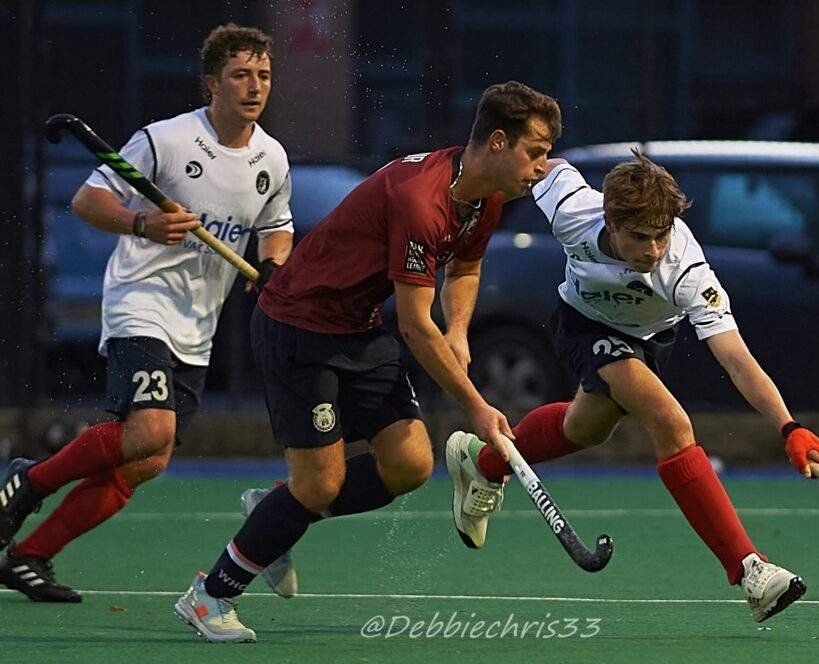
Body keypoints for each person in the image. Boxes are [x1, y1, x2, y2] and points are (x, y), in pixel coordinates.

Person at [172, 80, 562, 643]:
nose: (543, 167)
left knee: (408, 464)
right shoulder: (420, 200)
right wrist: (476, 406)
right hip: (299, 327)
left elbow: (466, 270)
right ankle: (210, 597)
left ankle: (277, 516)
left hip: (357, 328)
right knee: (320, 484)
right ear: (498, 142)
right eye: (535, 151)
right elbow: (412, 325)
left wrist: (458, 329)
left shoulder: (487, 198)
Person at [446, 149, 819, 622]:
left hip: (647, 338)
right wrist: (460, 201)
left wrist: (788, 426)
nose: (652, 250)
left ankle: (482, 460)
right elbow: (525, 163)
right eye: (639, 237)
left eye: (661, 235)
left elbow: (736, 358)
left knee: (585, 429)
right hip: (583, 325)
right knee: (671, 421)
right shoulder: (573, 208)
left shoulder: (687, 271)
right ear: (610, 221)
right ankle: (749, 570)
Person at [0, 24, 293, 602]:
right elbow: (88, 199)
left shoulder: (272, 158)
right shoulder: (166, 140)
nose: (253, 86)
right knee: (151, 428)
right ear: (213, 83)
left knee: (147, 460)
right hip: (142, 300)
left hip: (198, 322)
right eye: (240, 74)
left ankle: (30, 556)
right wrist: (142, 222)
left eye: (262, 75)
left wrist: (274, 272)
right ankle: (28, 482)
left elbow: (275, 233)